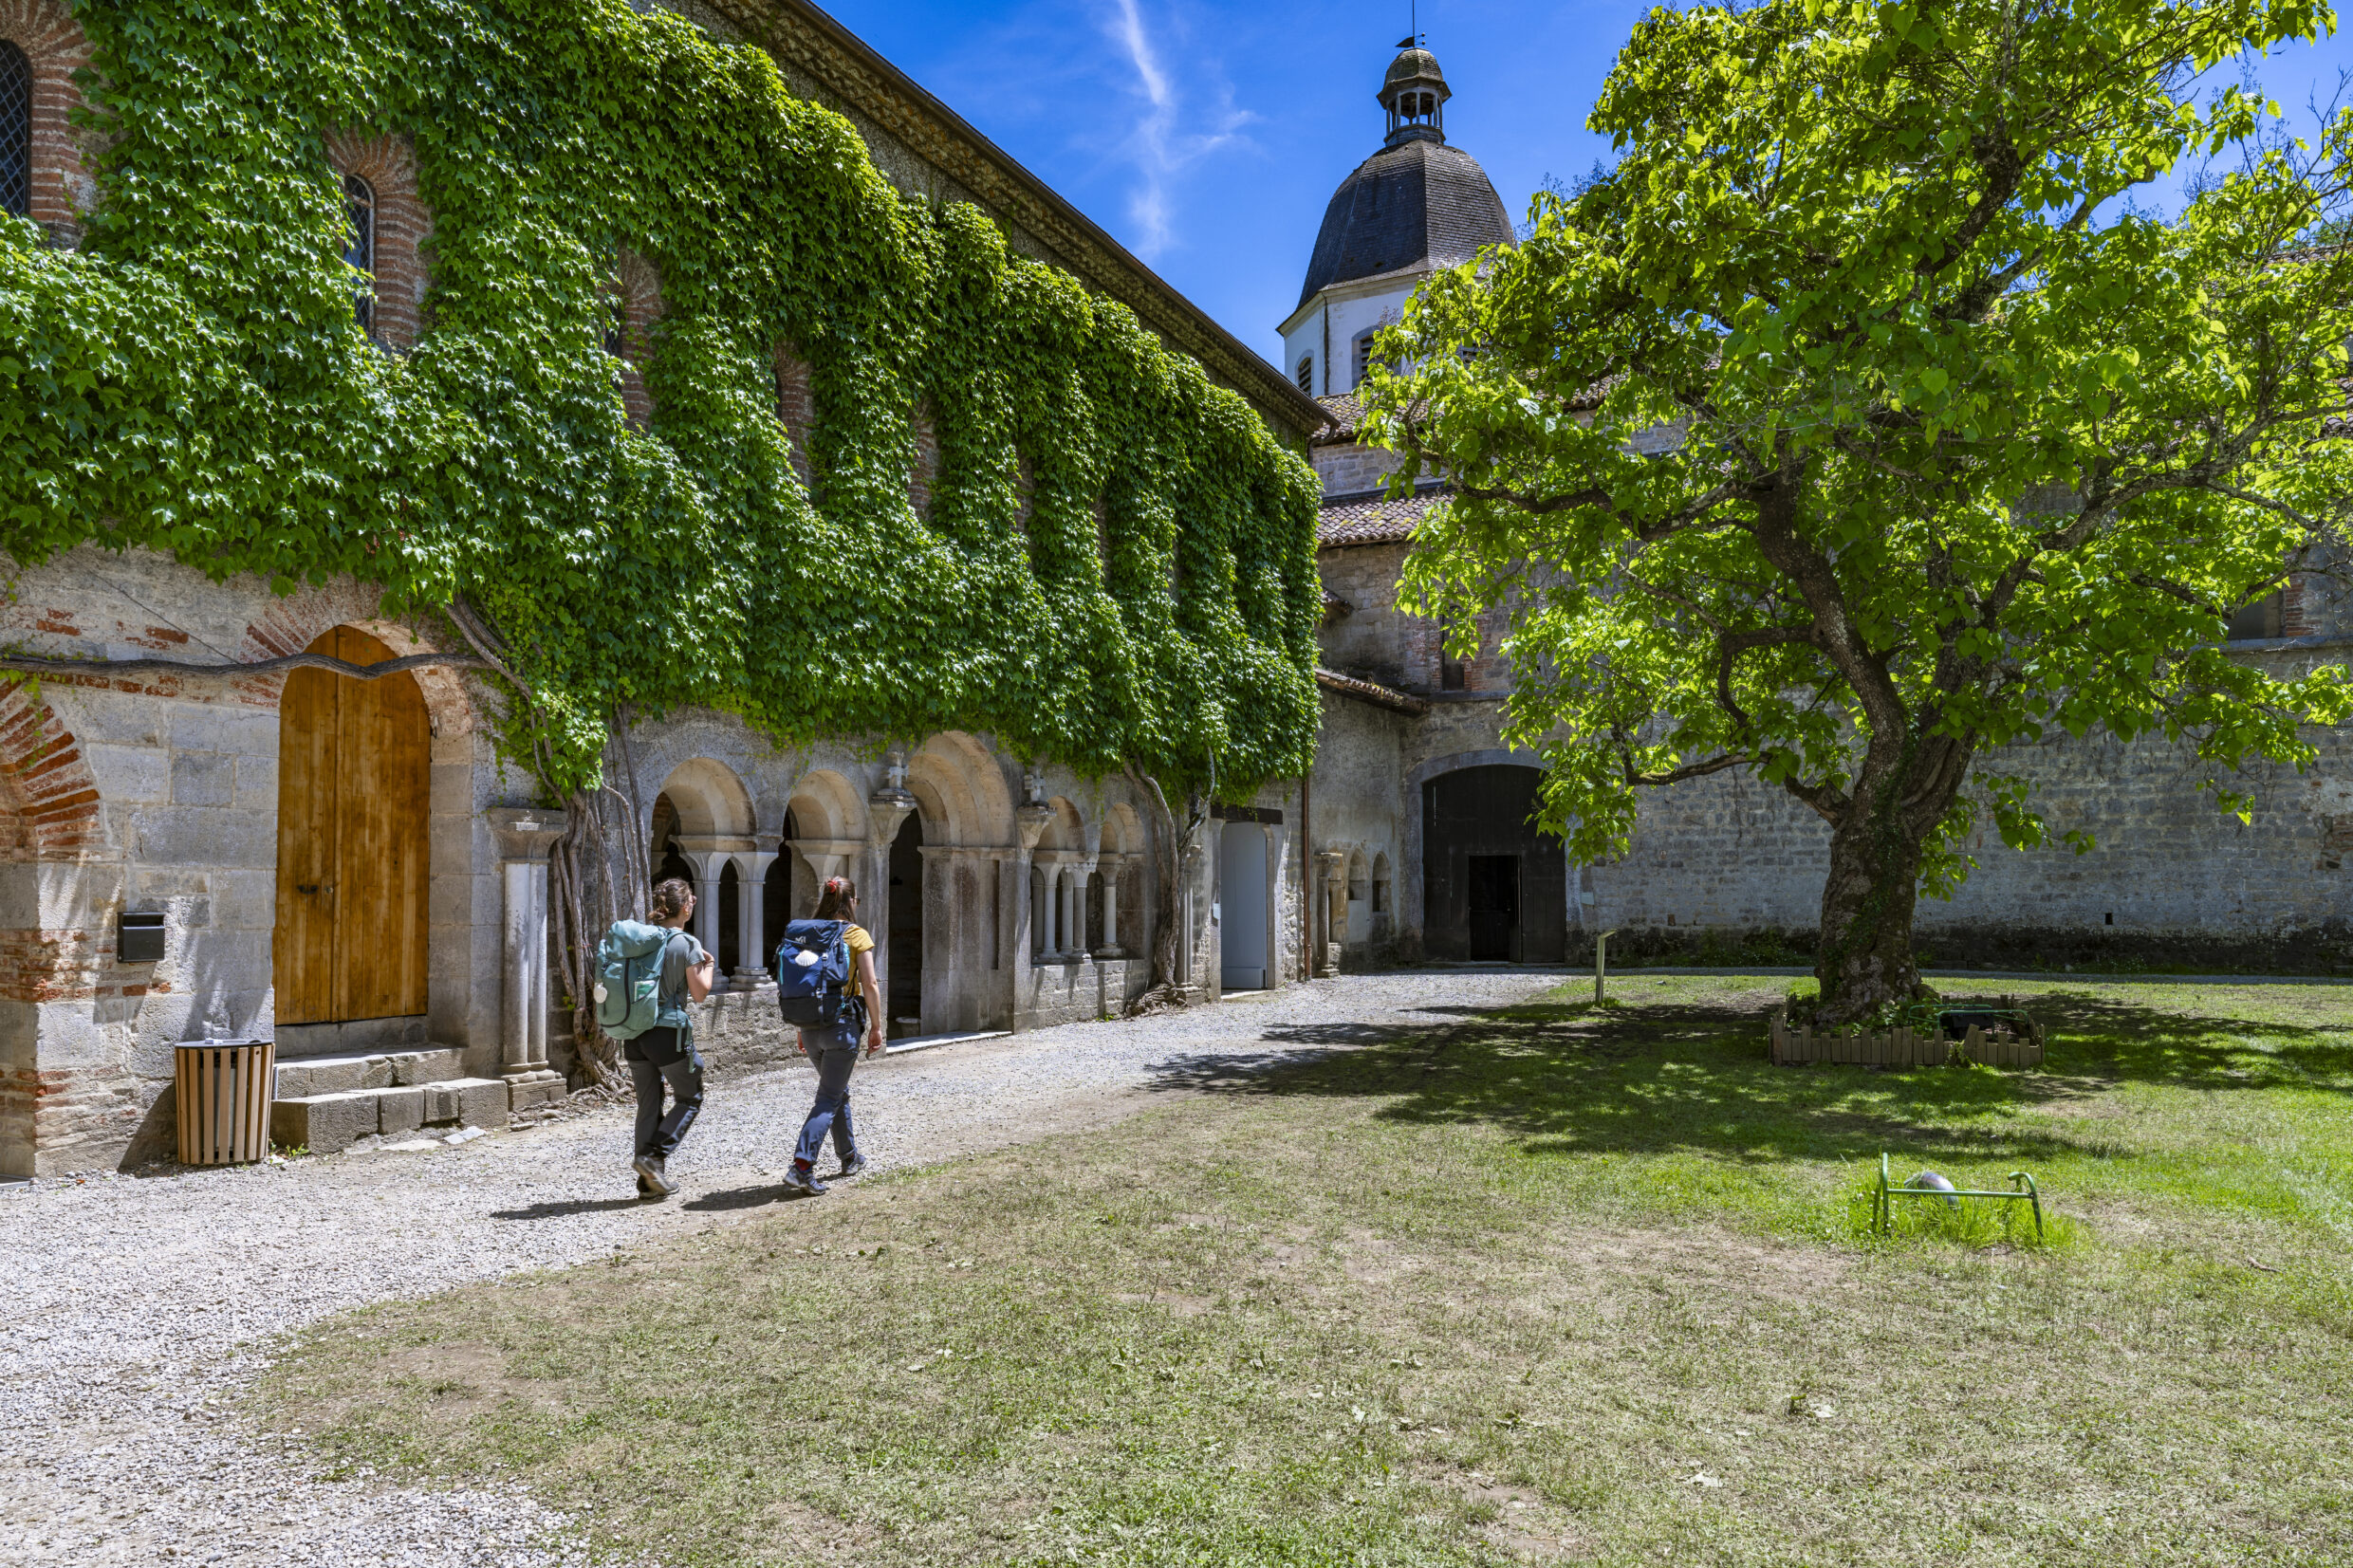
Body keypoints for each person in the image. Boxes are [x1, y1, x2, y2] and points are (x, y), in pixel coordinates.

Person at [783, 875, 885, 1195]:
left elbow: (805, 983)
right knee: (828, 1097)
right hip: (841, 1028)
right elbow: (869, 984)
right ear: (851, 902)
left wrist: (802, 1028)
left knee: (835, 1092)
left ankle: (850, 1156)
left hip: (812, 1028)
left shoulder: (808, 935)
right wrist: (878, 1026)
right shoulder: (856, 935)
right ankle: (801, 1166)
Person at [629, 876, 715, 1198]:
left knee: (648, 1105)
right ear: (687, 906)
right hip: (667, 1033)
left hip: (633, 1032)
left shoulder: (641, 940)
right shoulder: (686, 943)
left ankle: (648, 1184)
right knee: (690, 1097)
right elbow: (700, 992)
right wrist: (709, 965)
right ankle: (652, 1158)